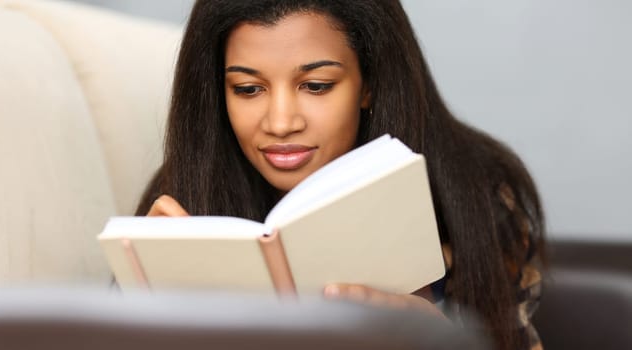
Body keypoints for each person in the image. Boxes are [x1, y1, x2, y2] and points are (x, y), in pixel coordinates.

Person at [136, 1, 545, 349]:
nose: (281, 123)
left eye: (316, 85)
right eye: (247, 89)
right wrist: (150, 303)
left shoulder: (481, 194)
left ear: (368, 83)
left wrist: (443, 340)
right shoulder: (183, 197)